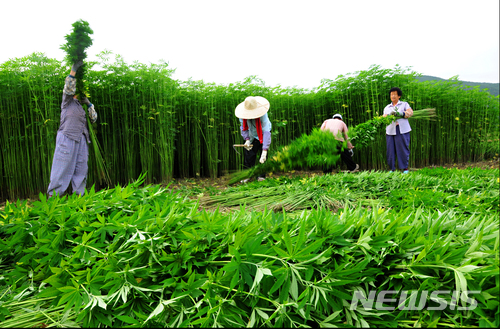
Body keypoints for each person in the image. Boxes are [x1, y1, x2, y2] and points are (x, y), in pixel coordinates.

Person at [47, 60, 98, 197]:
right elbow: (69, 88)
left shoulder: (82, 106)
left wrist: (89, 104)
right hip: (67, 137)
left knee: (81, 169)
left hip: (82, 139)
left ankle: (79, 198)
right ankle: (54, 198)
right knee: (61, 168)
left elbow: (93, 119)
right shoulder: (67, 101)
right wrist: (73, 70)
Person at [235, 96, 272, 182]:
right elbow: (244, 128)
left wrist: (265, 150)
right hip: (251, 134)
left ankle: (261, 176)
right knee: (249, 154)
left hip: (263, 134)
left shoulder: (263, 115)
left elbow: (266, 131)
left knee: (263, 157)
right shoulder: (242, 115)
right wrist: (247, 139)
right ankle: (247, 175)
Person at [383, 87, 413, 173]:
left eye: (394, 94)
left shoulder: (404, 104)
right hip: (390, 130)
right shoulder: (387, 107)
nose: (393, 96)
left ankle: (405, 169)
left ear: (399, 96)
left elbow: (410, 112)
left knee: (403, 149)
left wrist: (401, 113)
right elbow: (384, 118)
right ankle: (392, 169)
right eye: (391, 94)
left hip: (402, 130)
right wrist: (385, 117)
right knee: (390, 150)